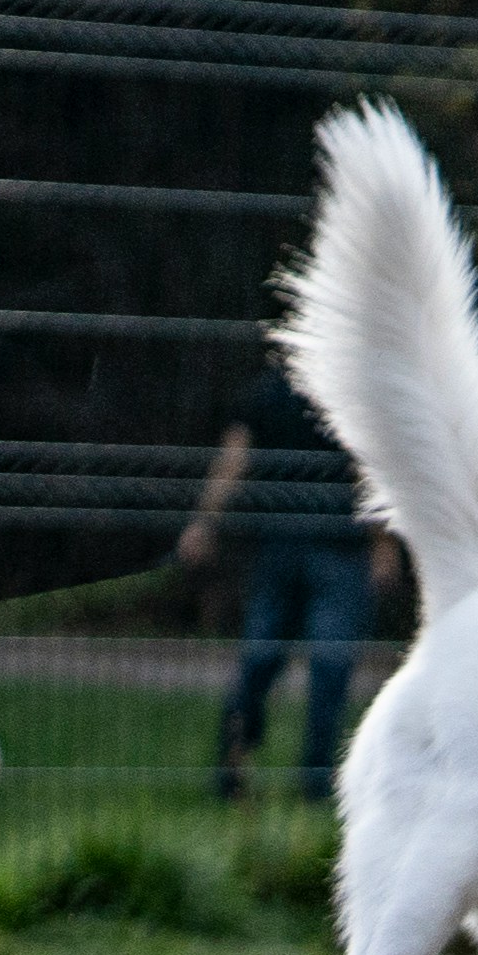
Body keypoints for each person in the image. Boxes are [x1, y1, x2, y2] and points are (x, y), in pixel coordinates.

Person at [180, 343, 398, 800]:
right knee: (319, 664)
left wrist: (204, 523)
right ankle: (286, 778)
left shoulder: (294, 391)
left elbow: (367, 470)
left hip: (323, 549)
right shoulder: (325, 391)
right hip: (301, 550)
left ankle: (292, 777)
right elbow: (369, 470)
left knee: (281, 660)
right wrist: (205, 523)